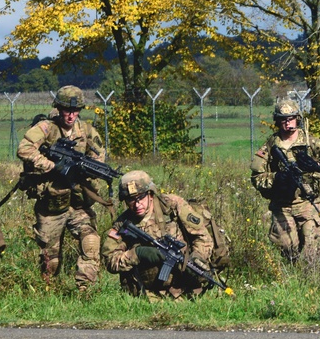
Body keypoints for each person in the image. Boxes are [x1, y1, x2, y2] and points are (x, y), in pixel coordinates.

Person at [16, 86, 106, 291]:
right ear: (59, 108)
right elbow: (24, 149)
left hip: (78, 203)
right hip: (51, 203)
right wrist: (51, 166)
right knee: (50, 259)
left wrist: (83, 170)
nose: (71, 115)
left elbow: (99, 158)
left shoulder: (87, 131)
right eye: (67, 109)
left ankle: (86, 291)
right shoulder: (46, 128)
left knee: (90, 241)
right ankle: (49, 292)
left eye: (75, 111)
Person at [101, 170, 216, 301]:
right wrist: (137, 254)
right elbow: (109, 260)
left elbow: (203, 237)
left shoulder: (171, 205)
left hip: (184, 288)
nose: (137, 204)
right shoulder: (123, 224)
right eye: (131, 200)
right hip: (146, 294)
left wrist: (196, 259)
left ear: (150, 193)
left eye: (140, 197)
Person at [250, 99, 320, 263]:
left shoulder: (309, 142)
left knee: (313, 248)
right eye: (283, 119)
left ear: (297, 119)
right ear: (277, 121)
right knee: (289, 249)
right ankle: (292, 279)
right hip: (283, 205)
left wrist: (316, 166)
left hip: (307, 202)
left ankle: (312, 280)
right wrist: (276, 179)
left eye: (291, 118)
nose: (287, 123)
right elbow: (256, 177)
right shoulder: (270, 145)